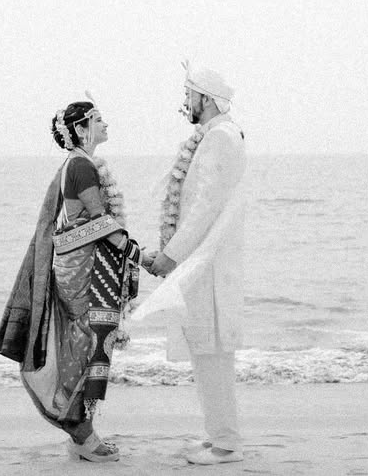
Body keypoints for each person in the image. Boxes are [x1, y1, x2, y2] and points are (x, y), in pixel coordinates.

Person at [0, 100, 141, 463]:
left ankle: (81, 431)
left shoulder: (76, 163)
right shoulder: (81, 166)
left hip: (78, 265)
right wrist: (138, 253)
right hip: (82, 269)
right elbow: (99, 221)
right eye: (98, 120)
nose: (106, 124)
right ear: (81, 129)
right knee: (84, 344)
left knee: (80, 341)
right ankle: (80, 431)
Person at [136, 64, 248, 466]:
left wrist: (170, 255)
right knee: (204, 352)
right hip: (202, 264)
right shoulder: (214, 136)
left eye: (190, 95)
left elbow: (205, 207)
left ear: (207, 99)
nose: (185, 103)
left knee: (212, 354)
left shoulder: (220, 137)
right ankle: (218, 436)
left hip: (208, 267)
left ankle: (227, 445)